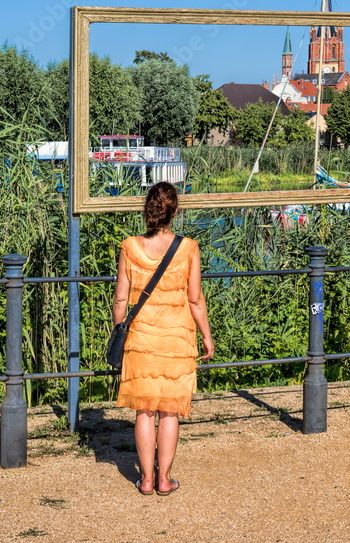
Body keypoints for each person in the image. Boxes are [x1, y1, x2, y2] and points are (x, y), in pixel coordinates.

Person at [112, 180, 214, 496]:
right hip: (177, 339)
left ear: (148, 211)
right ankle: (164, 479)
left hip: (140, 337)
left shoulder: (129, 247)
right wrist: (207, 336)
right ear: (174, 212)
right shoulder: (188, 248)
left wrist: (121, 331)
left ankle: (144, 479)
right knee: (169, 411)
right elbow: (195, 299)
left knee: (144, 410)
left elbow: (120, 299)